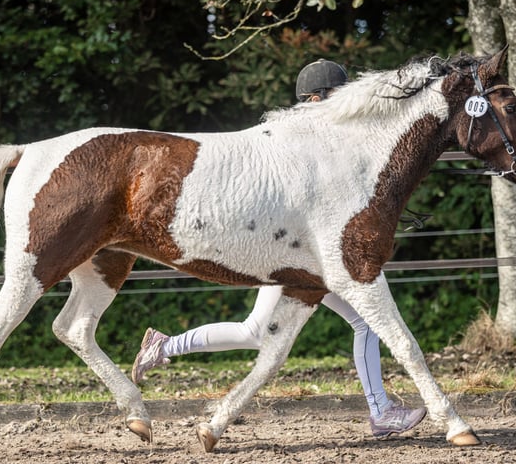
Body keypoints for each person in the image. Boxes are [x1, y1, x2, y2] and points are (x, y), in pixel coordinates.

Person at [131, 59, 427, 440]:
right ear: (319, 98)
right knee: (362, 322)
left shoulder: (318, 140)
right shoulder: (311, 140)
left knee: (256, 331)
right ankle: (381, 410)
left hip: (296, 255)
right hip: (297, 256)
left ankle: (166, 345)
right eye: (337, 93)